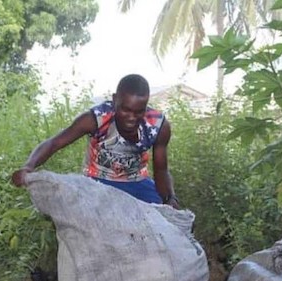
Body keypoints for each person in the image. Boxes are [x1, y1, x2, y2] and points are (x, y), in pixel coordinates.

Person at [11, 74, 179, 208]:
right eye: (125, 110)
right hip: (97, 182)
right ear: (115, 100)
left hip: (137, 182)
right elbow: (54, 143)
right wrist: (28, 167)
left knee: (166, 222)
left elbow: (161, 170)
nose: (131, 118)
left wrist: (169, 198)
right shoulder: (96, 119)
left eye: (138, 112)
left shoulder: (158, 126)